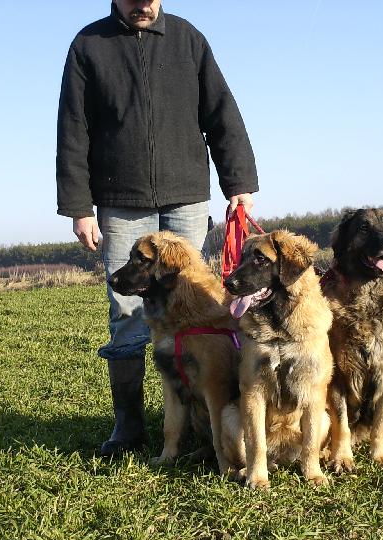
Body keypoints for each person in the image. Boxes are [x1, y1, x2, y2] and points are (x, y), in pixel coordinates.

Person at [56, 0, 258, 457]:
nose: (144, 5)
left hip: (186, 196)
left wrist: (239, 181)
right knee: (128, 314)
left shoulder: (189, 39)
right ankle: (128, 428)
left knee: (199, 306)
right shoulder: (88, 44)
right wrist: (78, 206)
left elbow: (221, 112)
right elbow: (73, 129)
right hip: (120, 204)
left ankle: (211, 424)